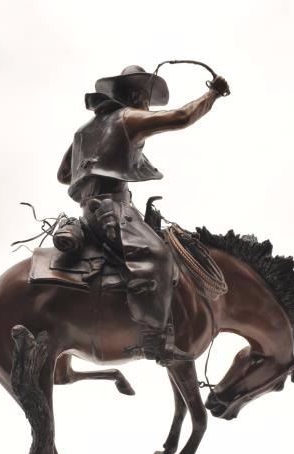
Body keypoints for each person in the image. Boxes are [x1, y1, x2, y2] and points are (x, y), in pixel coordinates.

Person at [56, 65, 229, 365]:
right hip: (113, 210)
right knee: (158, 257)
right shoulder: (128, 118)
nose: (147, 107)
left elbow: (63, 175)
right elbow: (181, 117)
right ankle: (154, 340)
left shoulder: (84, 130)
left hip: (88, 213)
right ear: (136, 96)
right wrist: (212, 94)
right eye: (147, 100)